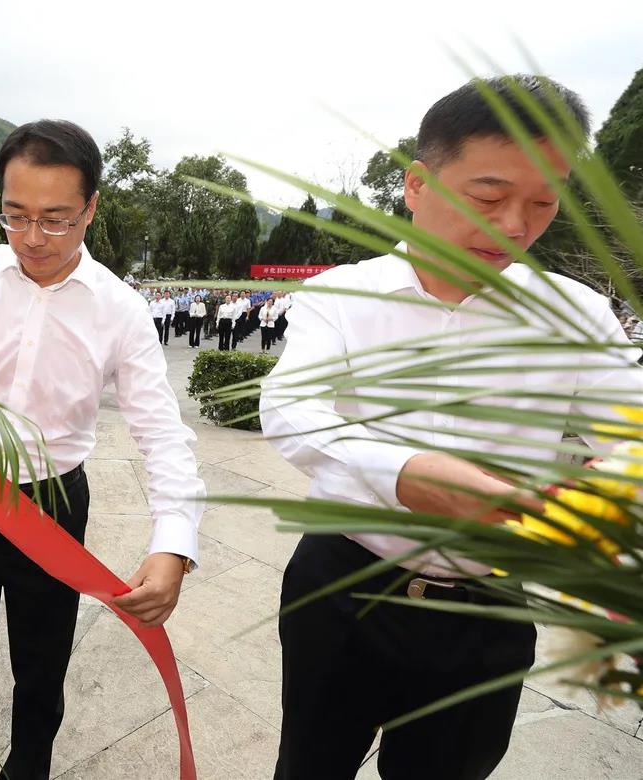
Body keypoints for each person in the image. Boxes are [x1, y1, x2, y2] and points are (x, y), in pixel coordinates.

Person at [260, 75, 643, 780]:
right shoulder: (342, 297)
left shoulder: (578, 316)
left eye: (542, 201)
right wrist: (406, 475)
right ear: (416, 184)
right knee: (309, 764)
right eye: (489, 197)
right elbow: (290, 411)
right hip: (345, 587)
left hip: (486, 607)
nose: (517, 226)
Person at [0, 119, 205, 780]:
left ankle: (29, 764)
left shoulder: (118, 309)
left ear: (91, 207)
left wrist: (173, 541)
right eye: (16, 215)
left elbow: (161, 429)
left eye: (57, 220)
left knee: (42, 655)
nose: (33, 238)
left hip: (52, 503)